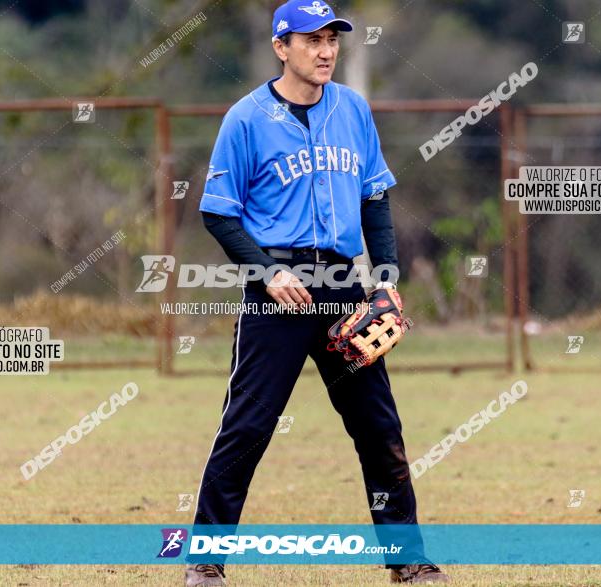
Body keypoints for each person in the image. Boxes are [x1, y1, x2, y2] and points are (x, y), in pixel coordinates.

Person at [185, 1, 449, 584]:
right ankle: (205, 559)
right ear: (282, 47)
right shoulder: (246, 118)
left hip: (342, 288)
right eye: (311, 40)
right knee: (249, 425)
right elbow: (219, 214)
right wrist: (266, 273)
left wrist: (385, 275)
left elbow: (375, 197)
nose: (326, 50)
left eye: (332, 39)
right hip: (276, 291)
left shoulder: (353, 110)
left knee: (379, 428)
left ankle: (408, 560)